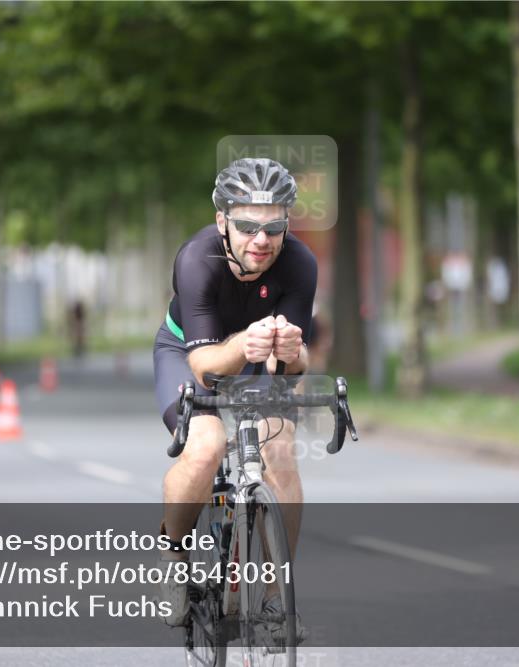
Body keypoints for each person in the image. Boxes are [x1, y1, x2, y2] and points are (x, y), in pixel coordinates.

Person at [153, 157, 317, 626]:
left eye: (273, 227)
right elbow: (204, 367)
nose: (261, 240)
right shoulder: (196, 259)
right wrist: (245, 344)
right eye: (246, 226)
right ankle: (175, 559)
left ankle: (274, 593)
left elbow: (293, 366)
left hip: (255, 354)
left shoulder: (300, 263)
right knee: (206, 449)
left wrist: (292, 351)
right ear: (222, 221)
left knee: (280, 450)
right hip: (187, 352)